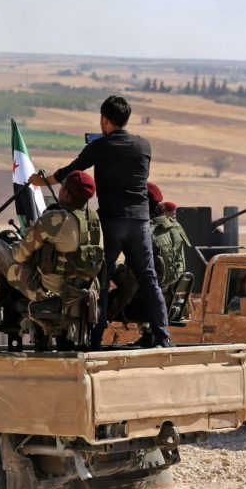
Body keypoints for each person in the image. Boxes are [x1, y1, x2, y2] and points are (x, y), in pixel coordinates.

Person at [30, 96, 172, 348]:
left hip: (112, 221)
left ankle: (95, 339)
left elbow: (71, 172)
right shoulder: (144, 146)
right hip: (139, 222)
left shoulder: (100, 147)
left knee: (102, 280)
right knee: (148, 279)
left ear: (104, 120)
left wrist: (40, 182)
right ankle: (164, 337)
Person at [0, 170, 102, 326]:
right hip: (82, 293)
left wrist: (21, 242)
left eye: (62, 187)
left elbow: (20, 255)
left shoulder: (55, 218)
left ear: (67, 194)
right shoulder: (95, 221)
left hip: (47, 292)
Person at [108, 183, 189, 321]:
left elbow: (131, 285)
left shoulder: (144, 235)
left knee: (106, 267)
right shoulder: (174, 227)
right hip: (171, 302)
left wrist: (111, 311)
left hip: (144, 306)